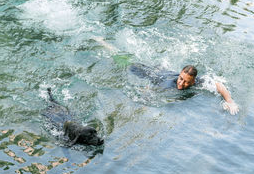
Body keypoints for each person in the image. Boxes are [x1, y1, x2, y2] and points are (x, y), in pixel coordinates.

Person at [94, 37, 239, 115]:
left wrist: (230, 101)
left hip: (164, 71)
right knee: (127, 62)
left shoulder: (198, 82)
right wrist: (145, 99)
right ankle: (103, 43)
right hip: (153, 74)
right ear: (180, 74)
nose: (181, 84)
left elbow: (218, 85)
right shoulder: (168, 85)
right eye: (181, 79)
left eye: (186, 82)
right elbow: (151, 93)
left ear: (193, 81)